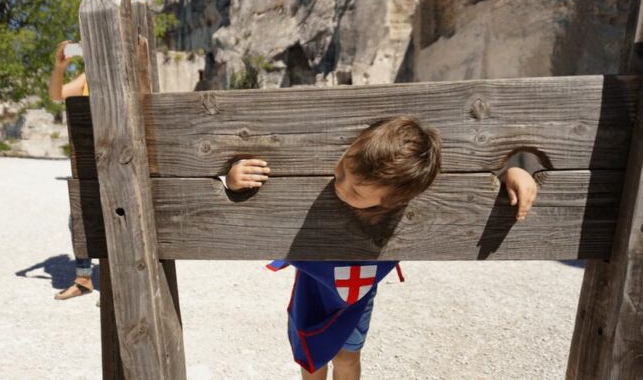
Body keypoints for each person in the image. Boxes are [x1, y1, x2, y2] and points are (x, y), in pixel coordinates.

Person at [222, 116, 540, 379]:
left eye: (357, 190)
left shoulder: (404, 197)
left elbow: (471, 191)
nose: (340, 185)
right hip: (313, 284)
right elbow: (243, 185)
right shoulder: (344, 171)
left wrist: (510, 173)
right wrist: (232, 180)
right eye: (343, 168)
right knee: (312, 355)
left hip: (360, 290)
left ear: (395, 203)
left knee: (348, 357)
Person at [49, 40, 94, 300]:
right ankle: (84, 278)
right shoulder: (87, 78)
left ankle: (116, 285)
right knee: (78, 219)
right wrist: (59, 67)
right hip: (91, 161)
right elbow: (57, 95)